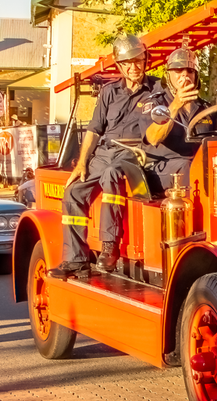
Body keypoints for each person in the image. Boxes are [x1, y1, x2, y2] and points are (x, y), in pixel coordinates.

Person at [49, 34, 164, 279]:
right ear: (120, 66)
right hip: (104, 152)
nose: (134, 67)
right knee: (73, 192)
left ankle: (110, 248)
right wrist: (81, 164)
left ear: (146, 60)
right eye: (128, 63)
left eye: (138, 61)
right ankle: (76, 260)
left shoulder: (159, 89)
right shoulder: (109, 92)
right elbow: (93, 130)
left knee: (112, 175)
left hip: (135, 153)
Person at [141, 46, 217, 191]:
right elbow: (152, 137)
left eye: (190, 71)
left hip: (199, 165)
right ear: (168, 75)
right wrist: (176, 105)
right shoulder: (155, 103)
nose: (185, 76)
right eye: (178, 70)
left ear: (196, 75)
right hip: (160, 168)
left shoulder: (207, 108)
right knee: (187, 166)